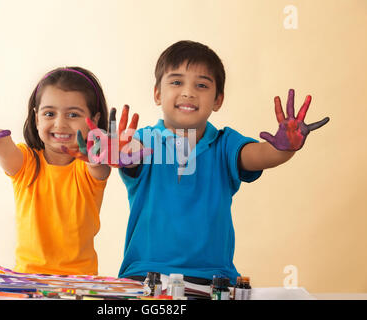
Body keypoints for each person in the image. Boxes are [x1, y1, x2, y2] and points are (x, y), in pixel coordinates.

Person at [117, 40, 330, 285]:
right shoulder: (144, 141)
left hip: (213, 280)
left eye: (201, 85)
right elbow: (129, 156)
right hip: (145, 276)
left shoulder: (225, 143)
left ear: (218, 100)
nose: (188, 92)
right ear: (157, 94)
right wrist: (119, 152)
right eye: (176, 82)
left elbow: (261, 155)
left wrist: (284, 146)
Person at [0, 66, 115, 275]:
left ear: (95, 120)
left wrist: (97, 153)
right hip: (27, 279)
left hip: (79, 282)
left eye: (73, 114)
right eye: (49, 113)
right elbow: (5, 146)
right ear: (37, 119)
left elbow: (99, 166)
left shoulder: (88, 168)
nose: (60, 123)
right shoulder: (25, 163)